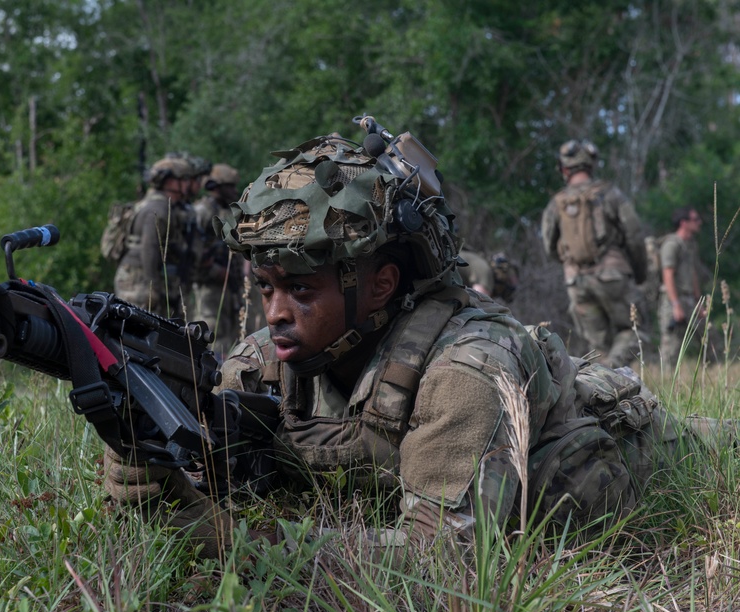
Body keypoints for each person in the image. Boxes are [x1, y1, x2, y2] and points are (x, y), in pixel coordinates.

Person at [104, 128, 715, 554]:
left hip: (647, 444)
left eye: (301, 290)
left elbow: (443, 562)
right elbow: (202, 490)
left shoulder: (466, 372)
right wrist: (154, 466)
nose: (276, 313)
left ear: (380, 286)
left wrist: (239, 543)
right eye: (265, 288)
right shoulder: (265, 365)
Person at [541, 139, 649, 368]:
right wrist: (640, 274)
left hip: (577, 283)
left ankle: (604, 390)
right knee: (634, 331)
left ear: (564, 170)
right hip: (612, 275)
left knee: (598, 345)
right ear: (591, 167)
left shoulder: (556, 203)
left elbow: (549, 247)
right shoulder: (610, 195)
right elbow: (634, 235)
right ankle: (611, 370)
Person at [113, 154, 196, 319]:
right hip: (140, 284)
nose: (188, 185)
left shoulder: (151, 203)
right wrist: (155, 288)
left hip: (137, 279)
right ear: (170, 182)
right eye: (184, 179)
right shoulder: (159, 208)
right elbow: (149, 250)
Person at [191, 163, 246, 355]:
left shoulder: (229, 211)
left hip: (230, 288)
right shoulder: (201, 211)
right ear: (216, 187)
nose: (234, 190)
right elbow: (192, 257)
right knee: (212, 338)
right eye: (229, 186)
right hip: (209, 290)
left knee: (234, 338)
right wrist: (217, 272)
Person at [658, 206, 705, 367]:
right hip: (674, 300)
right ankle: (667, 383)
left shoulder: (690, 245)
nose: (699, 223)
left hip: (690, 299)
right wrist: (675, 304)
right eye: (695, 219)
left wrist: (698, 301)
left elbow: (693, 275)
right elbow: (668, 275)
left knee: (709, 340)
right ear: (684, 223)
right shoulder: (672, 244)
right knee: (671, 346)